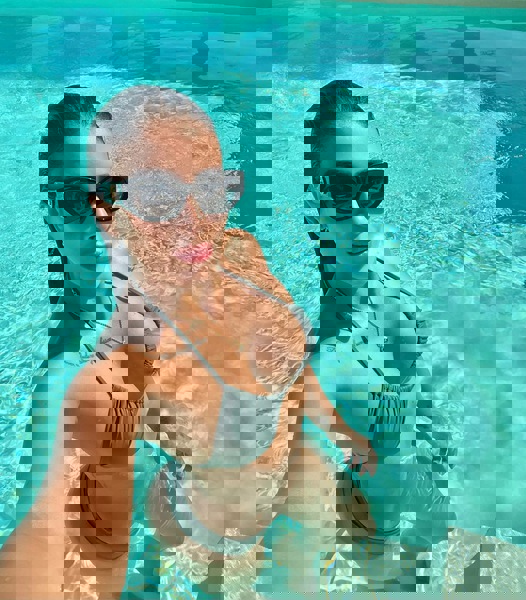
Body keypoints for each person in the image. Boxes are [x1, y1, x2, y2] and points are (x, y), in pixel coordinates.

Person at [0, 85, 376, 599]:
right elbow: (53, 532)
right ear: (60, 211)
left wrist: (336, 434)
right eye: (79, 198)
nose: (106, 217)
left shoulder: (231, 253)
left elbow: (288, 371)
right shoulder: (99, 368)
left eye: (211, 190)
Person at [304, 80, 455, 590]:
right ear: (317, 192)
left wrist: (436, 500)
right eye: (340, 187)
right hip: (373, 545)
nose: (359, 210)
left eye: (371, 184)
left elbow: (428, 403)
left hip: (409, 527)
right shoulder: (329, 359)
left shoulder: (394, 288)